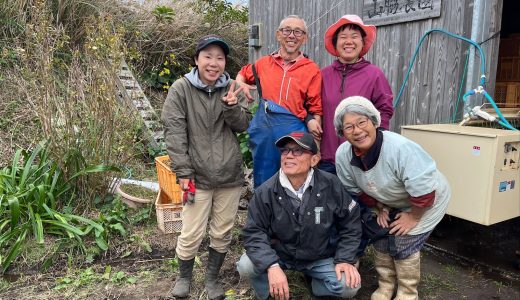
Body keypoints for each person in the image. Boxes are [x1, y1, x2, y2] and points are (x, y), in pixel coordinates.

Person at [161, 34, 252, 300]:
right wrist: (184, 172)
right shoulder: (181, 89)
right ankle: (184, 277)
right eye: (208, 56)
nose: (214, 63)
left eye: (220, 58)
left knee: (222, 231)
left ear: (225, 63)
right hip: (196, 175)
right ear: (196, 59)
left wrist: (232, 108)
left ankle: (212, 279)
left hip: (229, 175)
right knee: (190, 232)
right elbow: (174, 133)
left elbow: (244, 125)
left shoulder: (233, 87)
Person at [334, 96, 450, 299]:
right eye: (349, 127)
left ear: (374, 121)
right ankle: (386, 286)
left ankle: (407, 292)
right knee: (381, 235)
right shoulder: (343, 155)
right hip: (392, 200)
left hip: (427, 200)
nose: (358, 131)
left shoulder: (399, 149)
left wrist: (413, 217)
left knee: (403, 241)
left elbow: (424, 192)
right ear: (342, 132)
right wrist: (381, 208)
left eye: (362, 122)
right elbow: (358, 190)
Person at [237, 131, 362, 300]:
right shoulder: (265, 191)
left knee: (349, 285)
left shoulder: (331, 184)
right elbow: (254, 232)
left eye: (298, 151)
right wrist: (272, 265)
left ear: (314, 160)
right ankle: (268, 293)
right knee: (246, 265)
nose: (289, 156)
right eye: (285, 151)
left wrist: (345, 258)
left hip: (319, 256)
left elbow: (351, 223)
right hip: (280, 254)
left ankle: (317, 288)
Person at [236, 15, 323, 187]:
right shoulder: (262, 64)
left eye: (298, 32)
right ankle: (263, 212)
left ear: (304, 38)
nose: (292, 35)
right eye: (287, 30)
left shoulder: (312, 69)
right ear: (278, 35)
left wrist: (316, 146)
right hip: (265, 132)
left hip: (294, 132)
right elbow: (243, 73)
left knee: (295, 180)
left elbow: (316, 108)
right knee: (265, 182)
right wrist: (241, 84)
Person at [320, 14, 394, 175]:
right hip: (326, 160)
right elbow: (312, 108)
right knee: (326, 200)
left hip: (361, 160)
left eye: (354, 37)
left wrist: (372, 149)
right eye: (343, 37)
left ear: (362, 43)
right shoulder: (323, 75)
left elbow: (385, 111)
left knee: (360, 200)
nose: (349, 42)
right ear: (335, 43)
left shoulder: (374, 75)